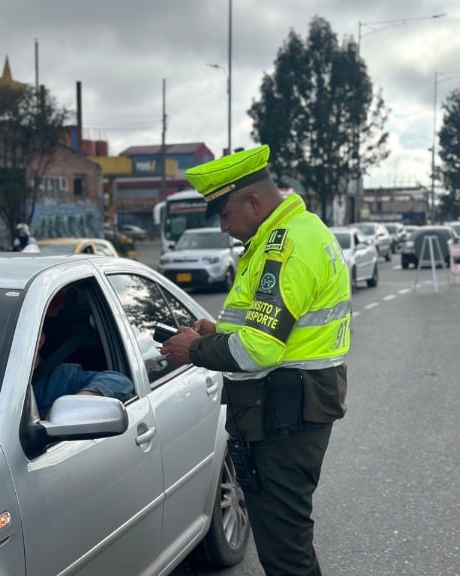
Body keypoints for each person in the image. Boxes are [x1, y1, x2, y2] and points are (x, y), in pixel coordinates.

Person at [160, 144, 350, 576]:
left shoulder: (285, 248)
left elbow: (258, 349)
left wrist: (193, 349)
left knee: (286, 554)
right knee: (286, 543)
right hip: (287, 409)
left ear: (253, 201)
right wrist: (215, 333)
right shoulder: (291, 234)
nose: (224, 227)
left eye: (225, 215)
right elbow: (263, 330)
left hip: (284, 416)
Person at [33, 289, 134, 416]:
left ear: (40, 341)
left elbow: (120, 382)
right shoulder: (2, 384)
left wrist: (75, 404)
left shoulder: (62, 378)